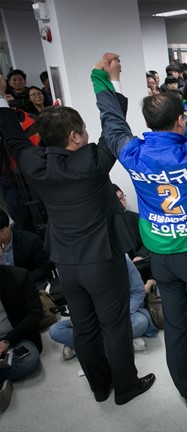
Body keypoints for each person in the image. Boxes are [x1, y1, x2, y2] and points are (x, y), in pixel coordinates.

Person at [92, 50, 187, 411]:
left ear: (148, 123)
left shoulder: (133, 153)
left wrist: (103, 78)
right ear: (181, 120)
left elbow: (111, 123)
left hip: (161, 257)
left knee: (175, 327)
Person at [0, 74, 154, 405]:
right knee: (114, 327)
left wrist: (1, 100)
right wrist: (112, 81)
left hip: (65, 264)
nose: (86, 133)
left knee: (83, 328)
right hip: (103, 261)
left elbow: (14, 139)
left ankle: (100, 387)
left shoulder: (35, 163)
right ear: (74, 136)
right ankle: (126, 387)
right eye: (83, 129)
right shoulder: (93, 161)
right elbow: (114, 127)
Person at [49, 256, 158, 359]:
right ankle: (121, 342)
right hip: (93, 317)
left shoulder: (122, 259)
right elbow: (76, 302)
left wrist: (121, 313)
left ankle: (84, 345)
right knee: (55, 331)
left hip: (123, 313)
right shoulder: (74, 265)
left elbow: (138, 291)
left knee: (141, 322)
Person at [0, 265, 43, 413]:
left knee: (29, 359)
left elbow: (35, 313)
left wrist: (7, 341)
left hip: (16, 337)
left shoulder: (18, 276)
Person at [0, 209, 53, 290]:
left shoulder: (29, 240)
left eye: (1, 231)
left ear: (8, 226)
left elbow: (45, 267)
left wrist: (24, 280)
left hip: (30, 287)